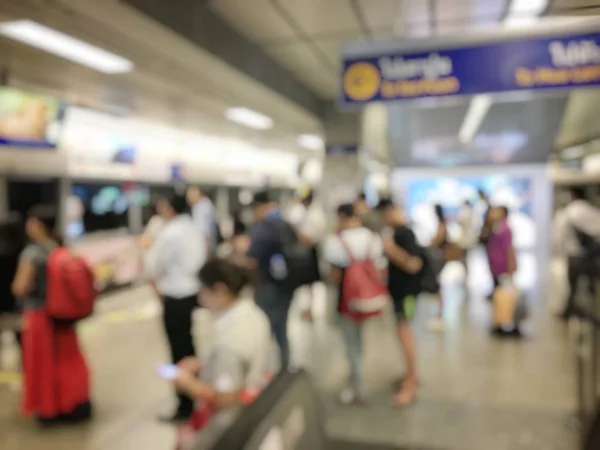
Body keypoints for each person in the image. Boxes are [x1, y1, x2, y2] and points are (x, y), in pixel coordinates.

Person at [173, 258, 271, 448]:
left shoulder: (229, 341)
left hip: (229, 423)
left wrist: (186, 381)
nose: (200, 299)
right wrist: (205, 362)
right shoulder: (252, 313)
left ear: (219, 290)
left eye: (203, 291)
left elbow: (226, 399)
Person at [12, 205, 91, 424]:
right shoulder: (60, 248)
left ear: (38, 225)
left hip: (38, 317)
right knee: (66, 362)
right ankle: (71, 403)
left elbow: (19, 286)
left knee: (41, 365)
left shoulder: (33, 253)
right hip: (63, 318)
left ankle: (48, 409)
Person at [145, 194, 205, 422]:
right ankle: (198, 394)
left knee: (177, 352)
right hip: (191, 295)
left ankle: (184, 405)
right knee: (189, 346)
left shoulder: (168, 233)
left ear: (170, 208)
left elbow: (152, 267)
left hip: (175, 297)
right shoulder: (192, 228)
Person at [323, 203, 386, 405]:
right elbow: (380, 267)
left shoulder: (336, 242)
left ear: (341, 217)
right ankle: (357, 379)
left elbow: (333, 275)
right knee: (359, 340)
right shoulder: (372, 238)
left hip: (347, 299)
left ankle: (358, 386)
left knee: (351, 343)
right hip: (368, 296)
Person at [376, 199, 421, 406]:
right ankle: (408, 376)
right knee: (402, 335)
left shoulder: (403, 233)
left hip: (406, 295)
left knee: (406, 337)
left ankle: (410, 384)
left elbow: (413, 264)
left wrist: (390, 249)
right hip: (399, 294)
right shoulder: (399, 232)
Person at [246, 191, 295, 370]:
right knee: (282, 328)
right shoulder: (286, 224)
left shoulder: (262, 228)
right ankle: (285, 367)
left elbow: (251, 260)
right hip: (288, 285)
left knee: (264, 330)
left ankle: (263, 372)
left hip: (267, 286)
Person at [553, 187, 600, 319]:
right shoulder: (591, 211)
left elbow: (558, 239)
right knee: (592, 288)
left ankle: (571, 312)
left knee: (571, 288)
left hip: (573, 257)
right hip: (591, 258)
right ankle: (592, 312)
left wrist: (560, 253)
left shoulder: (566, 213)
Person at [294, 189, 327, 320]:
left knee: (309, 283)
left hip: (311, 251)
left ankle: (309, 309)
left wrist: (298, 235)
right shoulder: (308, 212)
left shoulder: (316, 214)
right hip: (306, 250)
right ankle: (307, 308)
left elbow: (312, 236)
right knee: (306, 284)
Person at [427, 204, 448, 331]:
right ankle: (439, 314)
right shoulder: (441, 224)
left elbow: (437, 240)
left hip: (438, 257)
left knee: (437, 285)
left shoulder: (441, 225)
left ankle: (439, 314)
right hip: (438, 256)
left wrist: (430, 244)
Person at [486, 206, 517, 292]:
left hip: (503, 267)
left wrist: (511, 268)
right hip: (496, 267)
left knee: (504, 293)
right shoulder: (496, 226)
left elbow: (509, 249)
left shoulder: (505, 229)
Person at [186, 186, 217, 255]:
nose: (187, 198)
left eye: (189, 195)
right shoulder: (203, 205)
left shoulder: (202, 207)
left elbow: (203, 231)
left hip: (203, 246)